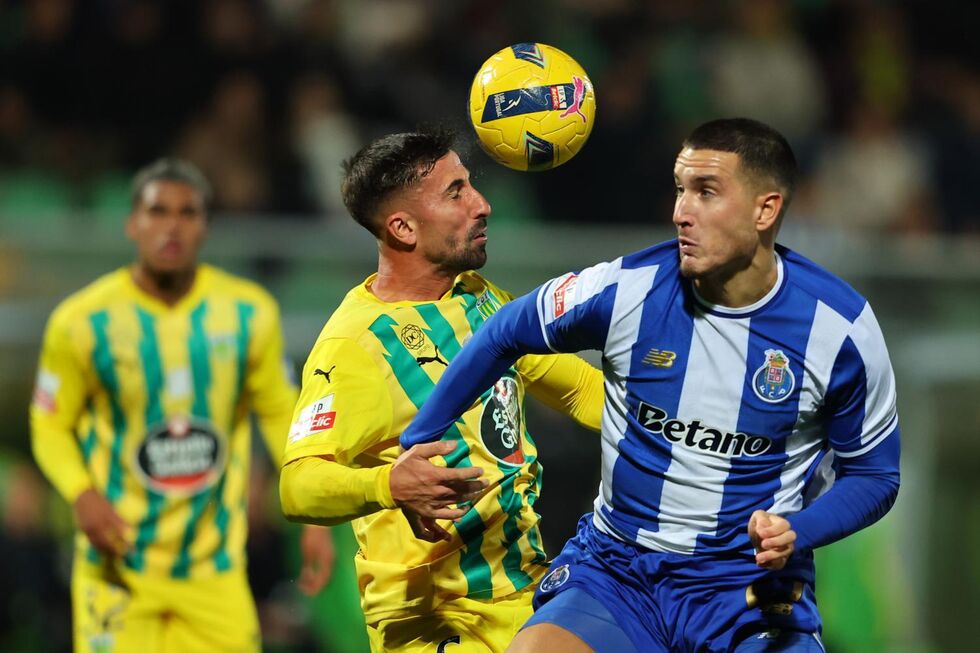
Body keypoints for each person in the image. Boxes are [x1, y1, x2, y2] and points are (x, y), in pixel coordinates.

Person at [400, 118, 902, 653]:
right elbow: (505, 332)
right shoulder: (626, 290)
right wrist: (417, 440)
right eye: (680, 189)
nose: (681, 212)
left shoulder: (839, 329)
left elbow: (874, 475)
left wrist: (800, 529)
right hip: (618, 572)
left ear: (766, 210)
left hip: (747, 585)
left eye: (706, 192)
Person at [278, 127, 604, 652]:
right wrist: (389, 484)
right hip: (436, 616)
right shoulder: (355, 344)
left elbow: (579, 390)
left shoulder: (479, 298)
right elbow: (297, 486)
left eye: (470, 184)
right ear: (403, 227)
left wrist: (688, 430)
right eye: (456, 193)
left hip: (526, 594)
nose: (483, 204)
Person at [29, 158, 334, 653]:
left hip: (215, 571)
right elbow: (49, 424)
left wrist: (313, 512)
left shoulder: (249, 313)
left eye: (187, 213)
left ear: (205, 226)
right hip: (117, 569)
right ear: (132, 223)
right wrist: (81, 494)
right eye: (157, 212)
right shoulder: (81, 321)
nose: (172, 226)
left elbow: (283, 415)